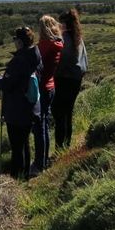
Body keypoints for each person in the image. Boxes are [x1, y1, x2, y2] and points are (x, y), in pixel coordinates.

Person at [0, 26, 42, 179]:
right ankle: (26, 173)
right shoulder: (35, 56)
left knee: (17, 146)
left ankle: (17, 177)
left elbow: (8, 84)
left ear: (20, 42)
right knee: (24, 143)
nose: (14, 42)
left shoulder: (20, 61)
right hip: (30, 107)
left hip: (17, 109)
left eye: (15, 39)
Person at [31, 15, 64, 174]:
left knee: (39, 127)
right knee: (43, 125)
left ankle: (39, 164)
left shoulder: (43, 46)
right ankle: (43, 160)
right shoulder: (57, 44)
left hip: (42, 89)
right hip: (51, 87)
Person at [53, 9, 88, 149]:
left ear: (64, 24)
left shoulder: (63, 39)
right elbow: (85, 62)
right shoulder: (78, 38)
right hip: (75, 80)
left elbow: (57, 62)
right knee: (68, 113)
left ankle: (59, 147)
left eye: (60, 24)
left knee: (59, 114)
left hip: (63, 79)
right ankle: (66, 145)